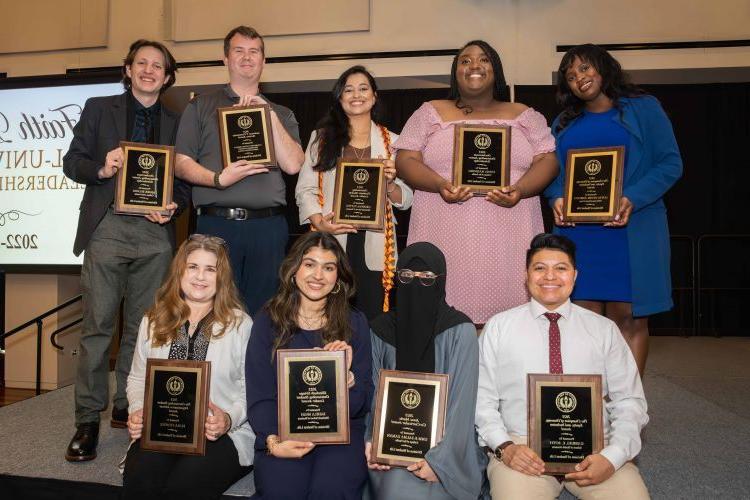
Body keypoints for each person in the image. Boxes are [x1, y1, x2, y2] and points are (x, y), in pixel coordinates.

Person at [63, 39, 191, 462]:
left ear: (168, 76)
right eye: (142, 63)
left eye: (158, 65)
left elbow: (186, 181)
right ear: (128, 69)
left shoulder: (178, 121)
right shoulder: (99, 108)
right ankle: (87, 419)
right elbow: (72, 161)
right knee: (98, 325)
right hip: (107, 227)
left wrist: (174, 204)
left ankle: (126, 405)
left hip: (155, 233)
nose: (149, 70)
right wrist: (102, 167)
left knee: (142, 329)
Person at [394, 40, 558, 324]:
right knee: (440, 321)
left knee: (510, 323)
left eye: (484, 60)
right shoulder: (429, 112)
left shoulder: (524, 114)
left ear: (496, 69)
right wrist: (439, 184)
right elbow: (406, 160)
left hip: (509, 233)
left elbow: (548, 161)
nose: (474, 66)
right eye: (465, 61)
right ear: (455, 72)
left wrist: (520, 190)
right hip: (443, 230)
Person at [475, 233, 649, 500]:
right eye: (540, 268)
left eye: (561, 268)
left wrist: (612, 457)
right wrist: (505, 447)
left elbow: (629, 401)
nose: (550, 277)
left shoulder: (604, 330)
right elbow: (481, 401)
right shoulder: (498, 327)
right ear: (526, 275)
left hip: (595, 449)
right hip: (524, 449)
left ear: (575, 275)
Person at [544, 43, 683, 374]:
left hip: (632, 231)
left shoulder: (644, 108)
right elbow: (550, 171)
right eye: (571, 74)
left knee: (628, 322)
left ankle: (627, 412)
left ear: (604, 68)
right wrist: (556, 197)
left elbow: (670, 163)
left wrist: (632, 196)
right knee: (582, 325)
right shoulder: (563, 122)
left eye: (585, 67)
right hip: (580, 238)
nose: (579, 77)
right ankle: (590, 414)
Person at [175, 25, 304, 316]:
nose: (247, 58)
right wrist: (218, 179)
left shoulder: (281, 113)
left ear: (263, 61)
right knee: (211, 313)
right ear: (226, 59)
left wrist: (267, 115)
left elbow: (294, 164)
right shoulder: (200, 106)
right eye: (239, 51)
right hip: (216, 227)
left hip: (268, 229)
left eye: (254, 52)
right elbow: (181, 163)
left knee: (265, 315)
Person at [122, 234, 253, 499]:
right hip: (162, 428)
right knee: (140, 482)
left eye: (210, 269)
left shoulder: (241, 324)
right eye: (192, 267)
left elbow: (252, 389)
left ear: (222, 277)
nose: (200, 277)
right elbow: (137, 379)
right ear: (179, 272)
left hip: (221, 434)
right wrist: (138, 411)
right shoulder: (153, 320)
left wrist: (228, 419)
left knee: (184, 486)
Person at [245, 231, 373, 499]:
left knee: (330, 490)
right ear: (294, 270)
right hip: (282, 431)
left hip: (341, 435)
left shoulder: (355, 323)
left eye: (328, 268)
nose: (318, 276)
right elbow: (260, 394)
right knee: (283, 490)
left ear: (338, 278)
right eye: (309, 264)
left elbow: (361, 400)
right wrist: (272, 441)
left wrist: (345, 380)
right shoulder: (268, 321)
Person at [366, 242, 488, 499]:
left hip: (451, 449)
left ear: (441, 281)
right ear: (397, 279)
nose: (416, 283)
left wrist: (439, 463)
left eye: (427, 278)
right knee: (395, 488)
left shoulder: (460, 330)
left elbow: (462, 407)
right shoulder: (380, 330)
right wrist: (372, 443)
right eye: (407, 276)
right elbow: (373, 398)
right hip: (391, 446)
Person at [295, 65, 413, 320]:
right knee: (331, 316)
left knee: (372, 319)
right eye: (348, 90)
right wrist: (320, 222)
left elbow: (407, 199)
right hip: (333, 237)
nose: (356, 95)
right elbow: (305, 189)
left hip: (376, 241)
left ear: (374, 96)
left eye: (363, 88)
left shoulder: (394, 142)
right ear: (340, 97)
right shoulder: (321, 139)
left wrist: (391, 185)